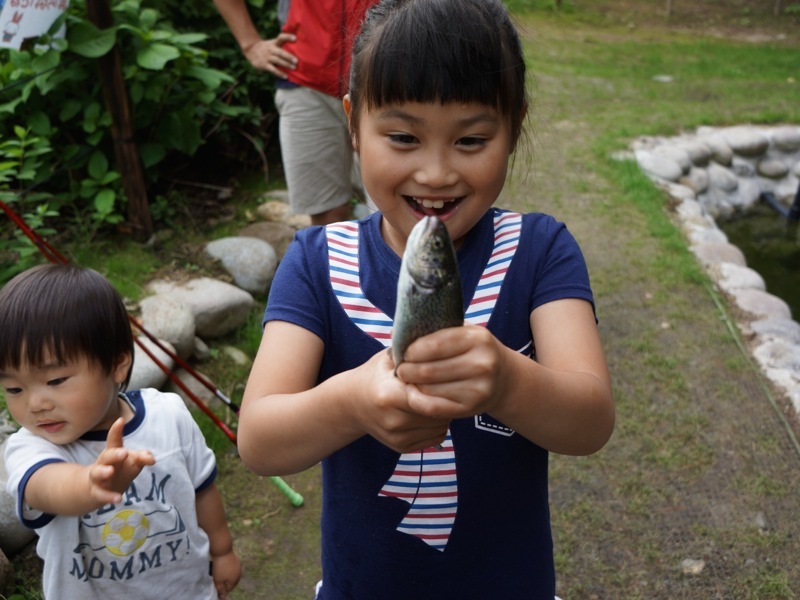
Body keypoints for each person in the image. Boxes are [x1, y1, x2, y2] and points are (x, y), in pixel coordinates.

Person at [238, 0, 615, 597]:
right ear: (352, 124)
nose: (436, 173)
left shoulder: (541, 250)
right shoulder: (316, 262)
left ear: (514, 126)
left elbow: (591, 422)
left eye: (471, 139)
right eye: (402, 136)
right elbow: (258, 439)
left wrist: (509, 383)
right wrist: (353, 401)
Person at [0, 264, 241, 600]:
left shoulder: (167, 415)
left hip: (188, 589)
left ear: (117, 364)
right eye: (13, 389)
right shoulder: (30, 447)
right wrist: (89, 484)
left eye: (55, 381)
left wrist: (223, 551)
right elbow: (45, 487)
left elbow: (202, 489)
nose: (36, 404)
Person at [212, 0, 378, 226]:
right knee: (325, 215)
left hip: (387, 76)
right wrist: (250, 44)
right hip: (304, 78)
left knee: (395, 214)